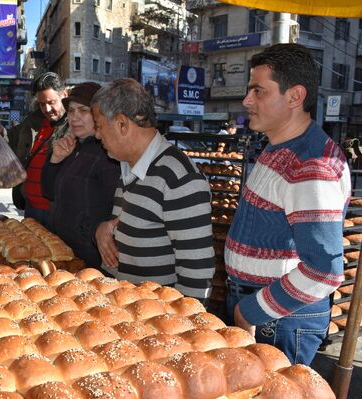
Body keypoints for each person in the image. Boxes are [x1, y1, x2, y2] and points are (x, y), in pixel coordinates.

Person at [224, 43, 350, 365]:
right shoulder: (281, 145)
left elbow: (324, 270)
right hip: (268, 312)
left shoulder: (311, 166)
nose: (246, 101)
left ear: (294, 97)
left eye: (259, 92)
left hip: (277, 318)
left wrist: (250, 310)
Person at [93, 78, 215, 301]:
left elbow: (197, 275)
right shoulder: (129, 166)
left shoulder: (179, 177)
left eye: (99, 125)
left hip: (158, 325)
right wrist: (104, 230)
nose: (97, 135)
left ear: (122, 123)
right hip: (125, 313)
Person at [41, 82, 120, 267]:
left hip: (92, 260)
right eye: (71, 111)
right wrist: (55, 160)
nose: (74, 117)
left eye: (83, 111)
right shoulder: (73, 146)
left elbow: (117, 209)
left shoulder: (109, 154)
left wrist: (92, 233)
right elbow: (48, 192)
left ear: (99, 114)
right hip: (65, 251)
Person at [7, 72, 70, 227]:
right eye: (42, 104)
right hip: (30, 209)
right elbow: (10, 138)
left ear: (64, 95)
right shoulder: (32, 122)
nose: (47, 109)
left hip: (58, 212)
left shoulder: (75, 126)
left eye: (51, 102)